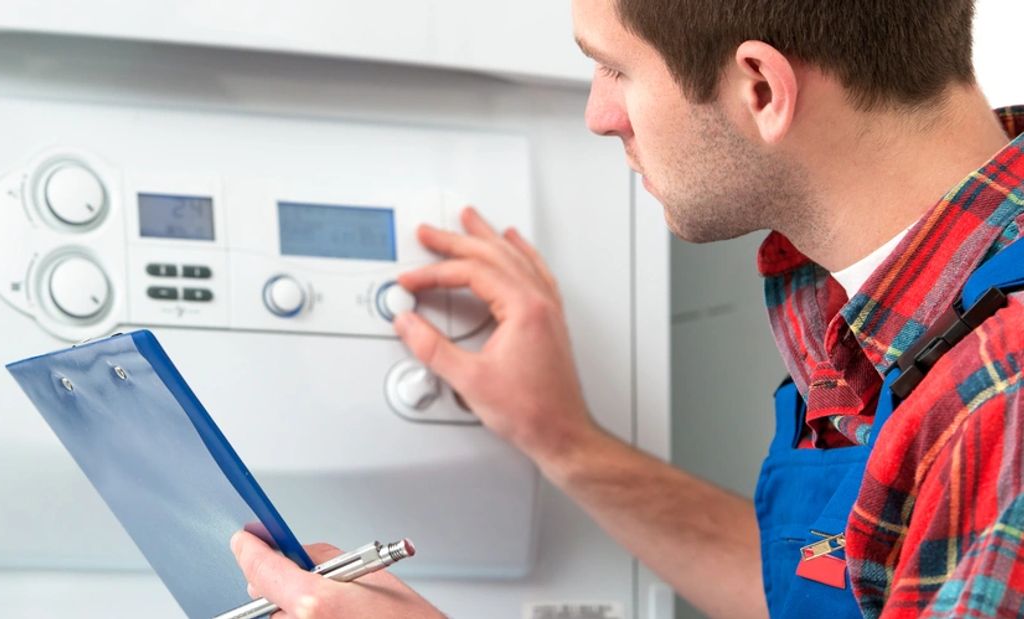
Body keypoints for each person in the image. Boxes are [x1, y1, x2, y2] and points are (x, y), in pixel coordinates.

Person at [229, 0, 1024, 616]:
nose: (597, 115)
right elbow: (855, 575)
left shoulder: (1003, 394)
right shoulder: (892, 297)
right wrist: (562, 438)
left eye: (615, 69)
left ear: (759, 88)